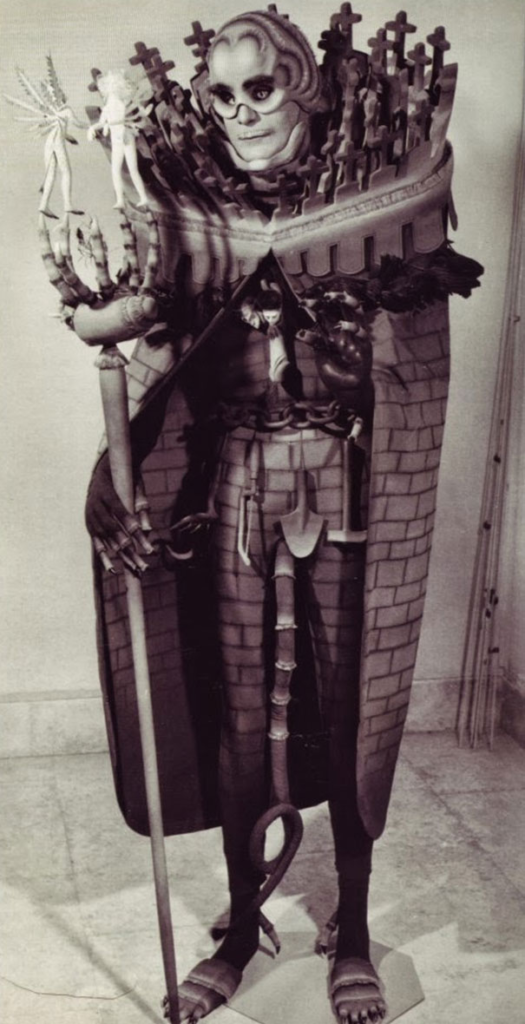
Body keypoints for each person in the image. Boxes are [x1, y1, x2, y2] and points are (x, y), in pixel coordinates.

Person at [41, 8, 482, 1024]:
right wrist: (113, 472)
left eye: (261, 88)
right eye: (222, 95)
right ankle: (241, 928)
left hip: (346, 491)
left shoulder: (384, 201)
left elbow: (412, 375)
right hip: (234, 490)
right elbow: (154, 363)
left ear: (305, 90)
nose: (240, 112)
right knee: (239, 717)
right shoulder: (192, 225)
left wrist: (353, 345)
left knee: (353, 708)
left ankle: (353, 932)